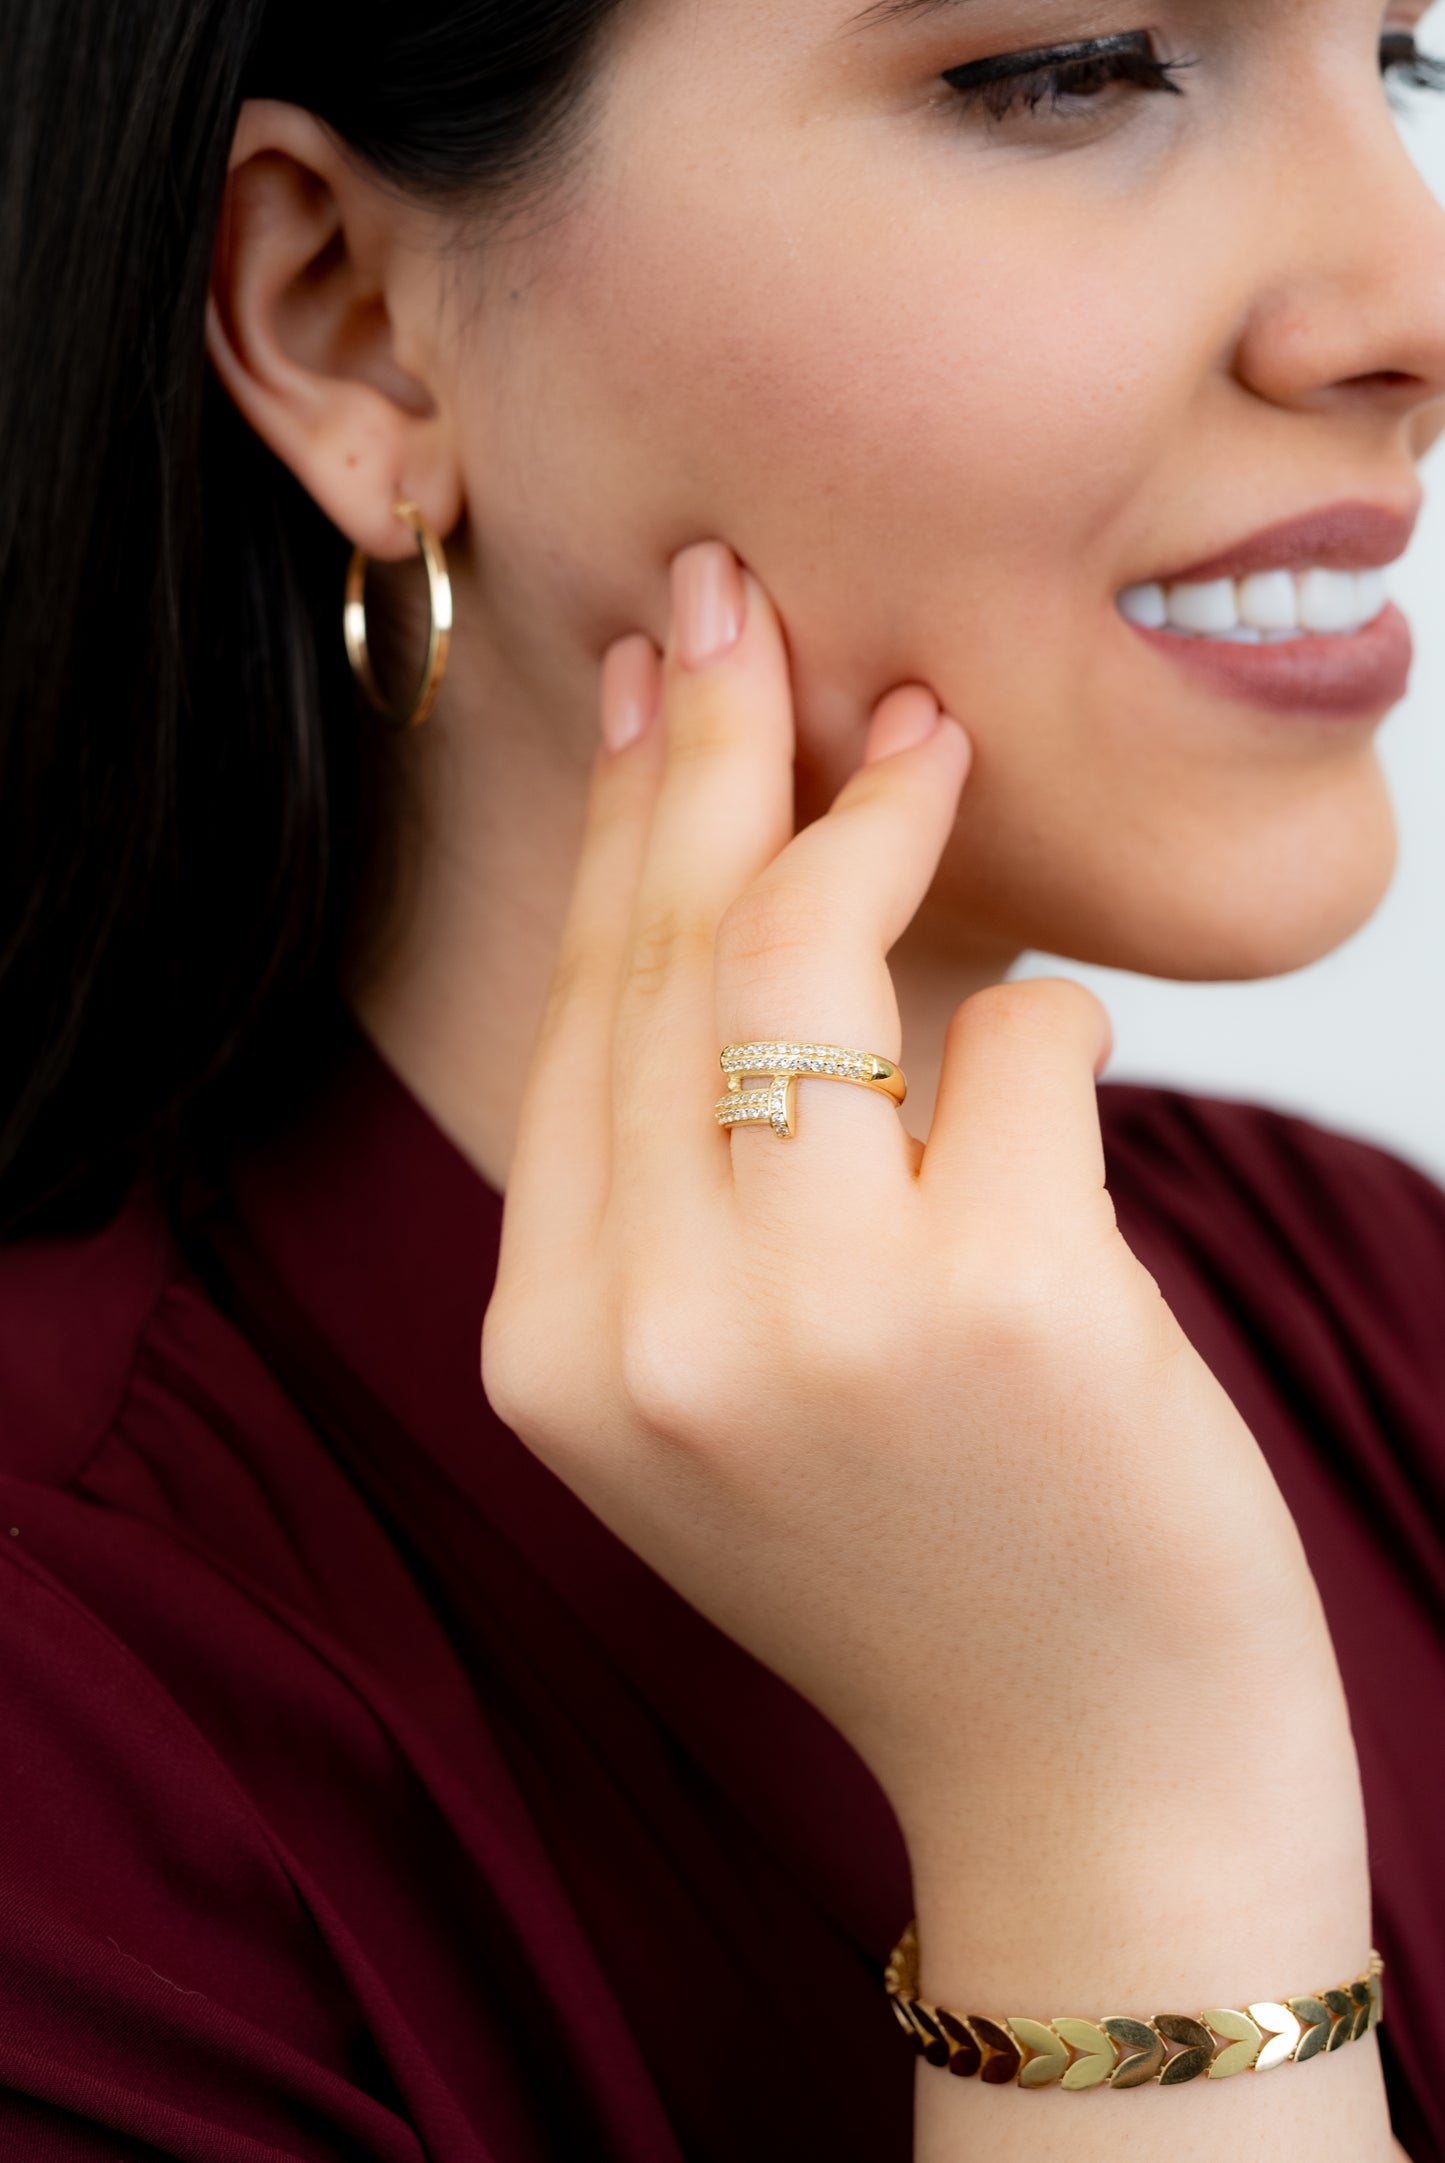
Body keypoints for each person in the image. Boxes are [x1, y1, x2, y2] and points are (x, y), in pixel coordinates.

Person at [1, 1, 1443, 2157]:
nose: (1409, 308)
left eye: (1408, 60)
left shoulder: (1389, 1305)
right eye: (1074, 65)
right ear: (349, 323)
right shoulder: (62, 1726)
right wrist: (1112, 1800)